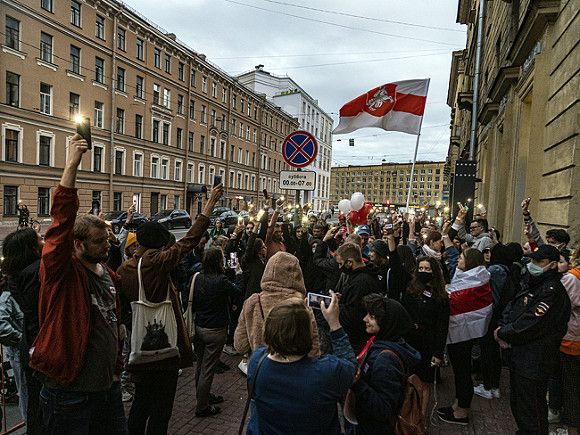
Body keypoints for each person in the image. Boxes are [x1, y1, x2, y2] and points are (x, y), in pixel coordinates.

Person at [29, 134, 127, 434]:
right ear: (78, 245)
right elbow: (60, 222)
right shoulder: (63, 273)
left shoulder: (108, 276)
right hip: (69, 392)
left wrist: (115, 363)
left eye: (107, 240)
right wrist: (72, 163)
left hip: (106, 388)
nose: (107, 247)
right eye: (99, 242)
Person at [117, 184, 223, 435]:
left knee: (141, 402)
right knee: (161, 408)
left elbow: (122, 311)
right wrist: (209, 205)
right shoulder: (156, 263)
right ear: (158, 245)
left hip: (138, 346)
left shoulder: (124, 270)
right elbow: (190, 240)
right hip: (163, 350)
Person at [245, 294, 356, 434]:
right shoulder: (327, 371)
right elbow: (351, 368)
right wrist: (334, 324)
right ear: (308, 334)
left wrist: (298, 313)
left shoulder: (257, 361)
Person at [495, 244, 571, 435]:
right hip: (520, 357)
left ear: (552, 265)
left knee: (532, 412)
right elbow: (514, 306)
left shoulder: (551, 291)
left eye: (539, 262)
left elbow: (532, 323)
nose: (533, 265)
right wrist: (503, 327)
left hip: (535, 360)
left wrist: (504, 333)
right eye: (533, 260)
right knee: (520, 407)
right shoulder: (533, 283)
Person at [349, 294, 421, 434]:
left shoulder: (386, 361)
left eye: (372, 316)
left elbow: (383, 410)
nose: (365, 319)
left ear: (387, 321)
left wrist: (358, 383)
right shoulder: (389, 343)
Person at [438, 248, 492, 426]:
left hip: (463, 334)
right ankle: (457, 404)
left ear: (470, 262)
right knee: (459, 371)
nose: (459, 260)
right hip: (461, 333)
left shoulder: (476, 279)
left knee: (462, 372)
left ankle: (462, 412)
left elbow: (457, 300)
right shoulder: (467, 275)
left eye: (461, 258)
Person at [234, 251, 320, 357]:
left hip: (261, 366)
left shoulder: (253, 302)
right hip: (294, 367)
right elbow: (313, 347)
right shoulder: (301, 305)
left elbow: (240, 345)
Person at [1, 228, 43, 433]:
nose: (43, 242)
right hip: (29, 349)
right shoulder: (30, 277)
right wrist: (20, 339)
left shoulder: (17, 277)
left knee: (34, 403)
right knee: (34, 403)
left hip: (28, 349)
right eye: (39, 240)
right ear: (30, 249)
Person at [191, 248, 241, 417]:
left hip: (199, 326)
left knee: (200, 365)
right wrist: (239, 273)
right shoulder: (221, 280)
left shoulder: (196, 277)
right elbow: (238, 292)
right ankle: (202, 406)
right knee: (208, 369)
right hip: (215, 329)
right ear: (218, 261)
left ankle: (202, 396)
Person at [474, 243, 513, 400]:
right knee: (494, 353)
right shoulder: (507, 269)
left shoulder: (494, 270)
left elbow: (489, 294)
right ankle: (494, 386)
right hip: (499, 316)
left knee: (487, 351)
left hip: (490, 316)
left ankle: (488, 386)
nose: (488, 254)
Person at [402, 256, 449, 383]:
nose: (423, 271)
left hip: (429, 341)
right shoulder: (411, 289)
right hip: (411, 340)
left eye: (427, 269)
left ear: (433, 271)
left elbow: (442, 326)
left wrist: (438, 353)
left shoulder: (440, 296)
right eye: (421, 268)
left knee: (426, 380)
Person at [334, 243, 382, 353]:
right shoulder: (360, 276)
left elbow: (353, 315)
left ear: (350, 262)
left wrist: (335, 306)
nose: (340, 268)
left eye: (341, 264)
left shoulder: (360, 282)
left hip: (356, 340)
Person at [558, 251, 579, 435]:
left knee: (572, 387)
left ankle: (572, 430)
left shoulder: (572, 279)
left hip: (572, 339)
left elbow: (561, 305)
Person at [239, 222, 267, 299]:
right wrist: (256, 227)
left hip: (262, 293)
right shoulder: (251, 260)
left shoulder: (264, 261)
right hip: (252, 294)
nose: (266, 249)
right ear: (258, 249)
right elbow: (249, 247)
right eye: (263, 247)